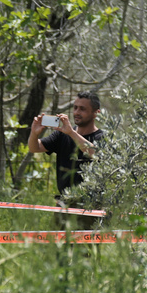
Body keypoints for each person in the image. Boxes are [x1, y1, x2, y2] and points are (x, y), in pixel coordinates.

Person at [28, 91, 105, 228]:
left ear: (96, 113)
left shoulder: (101, 137)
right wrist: (34, 133)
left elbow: (96, 153)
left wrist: (71, 133)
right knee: (57, 249)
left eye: (82, 109)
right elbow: (35, 148)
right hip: (64, 205)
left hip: (90, 207)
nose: (76, 112)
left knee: (85, 250)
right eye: (75, 108)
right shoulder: (62, 135)